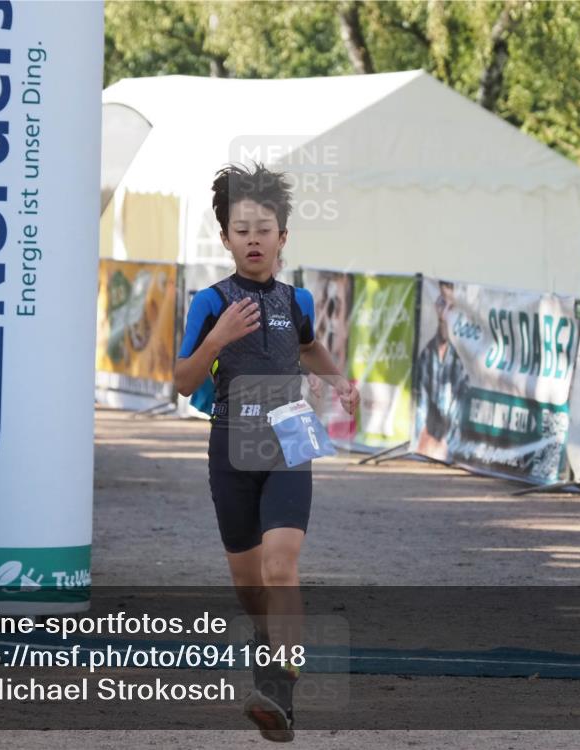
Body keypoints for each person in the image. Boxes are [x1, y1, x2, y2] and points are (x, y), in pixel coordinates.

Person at [173, 163, 359, 742]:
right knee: (252, 589)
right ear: (225, 238)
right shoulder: (210, 302)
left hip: (287, 438)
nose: (253, 238)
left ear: (283, 238)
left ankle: (279, 687)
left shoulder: (296, 298)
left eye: (264, 228)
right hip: (230, 445)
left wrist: (339, 380)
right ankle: (270, 658)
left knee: (282, 565)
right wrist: (219, 338)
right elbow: (182, 380)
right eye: (241, 228)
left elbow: (309, 348)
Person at [414, 281, 469, 461]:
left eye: (451, 307)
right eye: (441, 304)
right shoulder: (427, 355)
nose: (445, 314)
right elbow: (420, 405)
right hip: (427, 443)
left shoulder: (461, 363)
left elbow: (458, 418)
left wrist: (446, 444)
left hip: (446, 447)